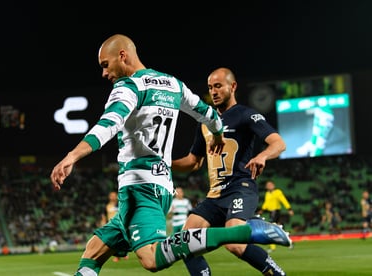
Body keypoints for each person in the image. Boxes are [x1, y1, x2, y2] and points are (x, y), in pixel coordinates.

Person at [50, 34, 292, 276]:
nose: (104, 73)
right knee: (93, 252)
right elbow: (208, 113)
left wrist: (72, 156)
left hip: (140, 187)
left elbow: (108, 124)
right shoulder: (173, 85)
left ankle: (245, 232)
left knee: (151, 259)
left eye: (105, 65)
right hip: (160, 185)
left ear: (122, 56)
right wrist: (218, 134)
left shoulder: (128, 87)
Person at [172, 67, 289, 276]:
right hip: (214, 195)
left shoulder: (246, 115)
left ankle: (277, 272)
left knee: (233, 242)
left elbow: (278, 143)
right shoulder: (205, 122)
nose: (214, 91)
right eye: (210, 87)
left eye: (218, 86)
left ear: (232, 86)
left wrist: (262, 155)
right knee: (185, 242)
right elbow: (193, 162)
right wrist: (164, 163)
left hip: (240, 189)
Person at [260, 180, 294, 253]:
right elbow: (266, 203)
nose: (269, 186)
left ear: (274, 185)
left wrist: (289, 209)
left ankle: (273, 247)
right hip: (270, 212)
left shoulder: (278, 192)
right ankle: (289, 242)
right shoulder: (267, 193)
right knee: (279, 228)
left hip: (276, 212)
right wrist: (262, 210)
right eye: (268, 185)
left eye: (270, 184)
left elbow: (283, 200)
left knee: (271, 228)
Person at [101, 191, 129, 262]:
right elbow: (104, 216)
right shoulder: (107, 206)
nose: (113, 197)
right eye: (111, 195)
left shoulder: (120, 204)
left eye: (114, 195)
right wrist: (104, 224)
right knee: (114, 241)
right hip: (111, 225)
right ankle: (117, 256)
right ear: (109, 197)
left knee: (123, 240)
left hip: (122, 224)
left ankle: (124, 254)